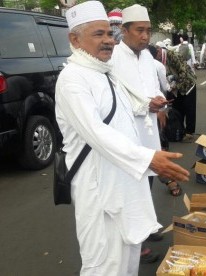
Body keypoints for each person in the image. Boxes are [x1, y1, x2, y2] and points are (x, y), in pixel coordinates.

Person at [55, 1, 189, 274]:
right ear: (74, 39)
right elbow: (96, 131)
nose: (108, 41)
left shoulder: (103, 72)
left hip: (123, 181)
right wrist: (148, 157)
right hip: (98, 186)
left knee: (127, 259)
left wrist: (146, 107)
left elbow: (124, 107)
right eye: (98, 34)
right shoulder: (73, 79)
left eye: (108, 34)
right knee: (104, 264)